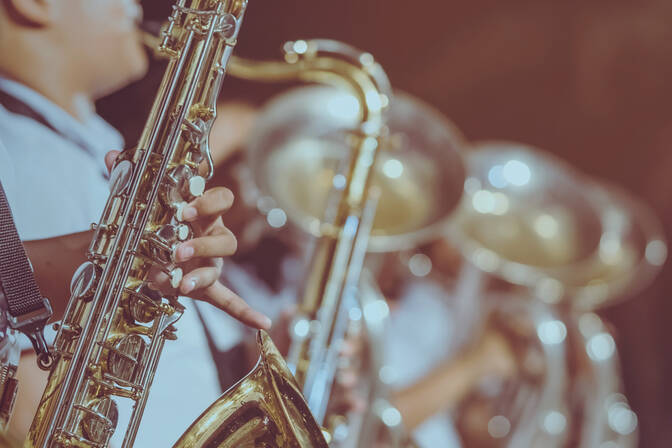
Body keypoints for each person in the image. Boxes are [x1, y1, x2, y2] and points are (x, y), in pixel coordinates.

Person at [0, 0, 270, 444]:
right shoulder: (25, 154)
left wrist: (136, 251)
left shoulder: (93, 147)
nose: (136, 6)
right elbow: (26, 410)